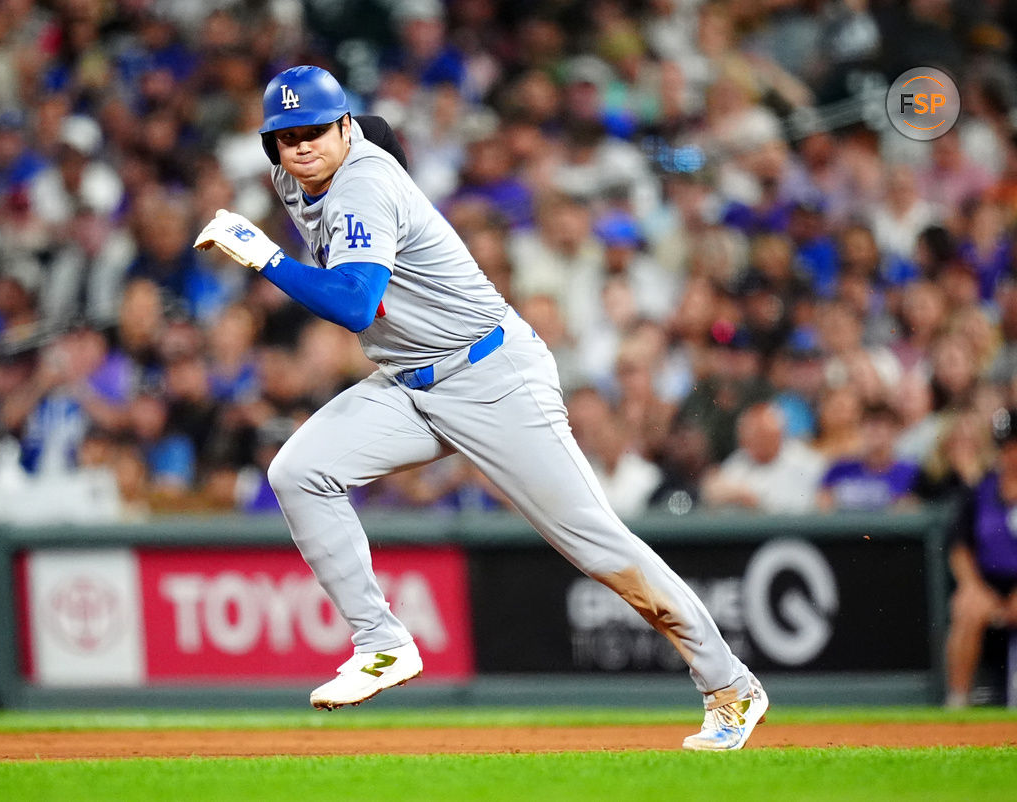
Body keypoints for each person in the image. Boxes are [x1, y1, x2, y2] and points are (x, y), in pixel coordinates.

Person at [194, 65, 767, 750]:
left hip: (490, 373)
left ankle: (731, 684)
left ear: (343, 127)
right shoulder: (305, 171)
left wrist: (264, 258)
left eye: (317, 129)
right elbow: (382, 134)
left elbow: (353, 304)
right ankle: (382, 642)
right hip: (409, 381)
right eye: (286, 137)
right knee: (297, 472)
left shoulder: (364, 186)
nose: (303, 146)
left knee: (595, 541)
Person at [943, 408, 1017, 708]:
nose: (1010, 453)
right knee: (965, 607)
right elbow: (960, 547)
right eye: (1006, 445)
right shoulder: (980, 489)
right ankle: (958, 700)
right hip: (989, 583)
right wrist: (973, 586)